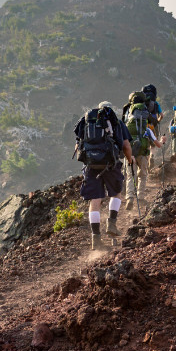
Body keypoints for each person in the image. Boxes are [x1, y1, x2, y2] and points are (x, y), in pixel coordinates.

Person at [74, 102, 133, 250]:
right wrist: (130, 160)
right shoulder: (117, 122)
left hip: (91, 165)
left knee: (95, 201)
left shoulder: (86, 122)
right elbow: (126, 146)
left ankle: (96, 239)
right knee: (116, 193)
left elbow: (78, 146)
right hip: (110, 164)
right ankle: (111, 223)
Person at [123, 91, 166, 210]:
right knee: (142, 175)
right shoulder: (147, 130)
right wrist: (163, 140)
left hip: (130, 153)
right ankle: (140, 197)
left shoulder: (127, 126)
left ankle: (129, 197)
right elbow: (158, 145)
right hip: (143, 152)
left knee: (131, 176)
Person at [141, 84, 164, 169]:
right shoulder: (156, 104)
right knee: (153, 144)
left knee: (145, 144)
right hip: (153, 125)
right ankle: (152, 156)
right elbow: (162, 115)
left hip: (144, 125)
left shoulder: (142, 103)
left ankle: (146, 161)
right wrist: (157, 121)